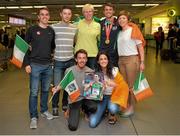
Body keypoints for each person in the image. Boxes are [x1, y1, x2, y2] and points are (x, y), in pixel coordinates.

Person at [23, 7, 56, 129]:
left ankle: (44, 110)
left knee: (46, 90)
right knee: (34, 92)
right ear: (38, 16)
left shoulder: (51, 31)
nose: (44, 16)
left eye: (46, 14)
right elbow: (24, 47)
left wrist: (51, 59)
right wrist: (26, 64)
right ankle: (33, 116)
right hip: (35, 65)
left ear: (49, 17)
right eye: (42, 14)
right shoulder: (32, 30)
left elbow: (52, 47)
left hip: (48, 66)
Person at [52, 49, 97, 131]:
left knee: (94, 107)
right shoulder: (69, 71)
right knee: (72, 127)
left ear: (86, 59)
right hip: (75, 99)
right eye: (79, 58)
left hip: (85, 98)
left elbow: (94, 87)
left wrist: (96, 83)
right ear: (76, 59)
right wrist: (56, 88)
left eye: (84, 58)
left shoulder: (90, 72)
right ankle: (70, 109)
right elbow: (63, 84)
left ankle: (85, 111)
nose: (82, 60)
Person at [89, 51, 129, 128]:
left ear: (108, 60)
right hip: (101, 98)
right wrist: (99, 88)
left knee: (113, 108)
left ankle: (112, 114)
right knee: (92, 123)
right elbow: (93, 92)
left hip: (113, 97)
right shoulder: (95, 73)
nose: (103, 61)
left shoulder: (114, 71)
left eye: (105, 59)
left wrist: (114, 84)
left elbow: (124, 87)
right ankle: (104, 111)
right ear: (98, 61)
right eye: (101, 59)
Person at [117, 10, 145, 117]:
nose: (121, 20)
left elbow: (140, 47)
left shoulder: (133, 30)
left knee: (131, 86)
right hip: (121, 60)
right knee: (124, 86)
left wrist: (142, 62)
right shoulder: (120, 32)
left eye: (124, 18)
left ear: (128, 20)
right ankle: (126, 105)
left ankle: (132, 108)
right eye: (119, 18)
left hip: (132, 59)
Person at [51, 6, 77, 117]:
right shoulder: (53, 27)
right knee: (57, 86)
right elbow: (50, 43)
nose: (67, 15)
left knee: (67, 86)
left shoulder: (74, 28)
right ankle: (55, 106)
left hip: (70, 61)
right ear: (61, 14)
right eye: (65, 13)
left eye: (69, 13)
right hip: (58, 61)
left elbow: (74, 43)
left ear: (71, 15)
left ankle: (65, 104)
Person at [75, 4, 100, 69]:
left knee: (93, 77)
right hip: (80, 55)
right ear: (83, 13)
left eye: (90, 11)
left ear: (93, 12)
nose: (88, 13)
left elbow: (100, 40)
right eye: (86, 12)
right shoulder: (77, 24)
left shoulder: (98, 25)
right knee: (79, 77)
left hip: (93, 55)